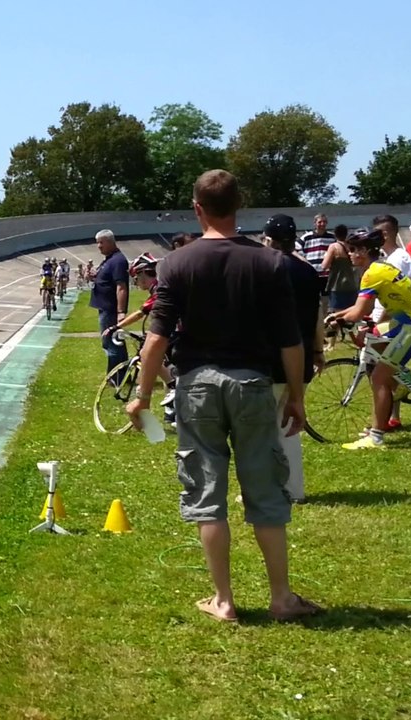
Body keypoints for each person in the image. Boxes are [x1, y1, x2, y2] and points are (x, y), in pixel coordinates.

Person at [126, 169, 317, 624]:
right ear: (239, 206)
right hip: (252, 383)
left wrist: (143, 396)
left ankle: (223, 600)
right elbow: (290, 341)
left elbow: (156, 339)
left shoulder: (176, 263)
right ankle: (281, 598)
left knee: (207, 493)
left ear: (197, 208)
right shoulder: (268, 263)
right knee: (266, 491)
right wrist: (296, 396)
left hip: (196, 387)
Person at [327, 229, 411, 449]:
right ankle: (407, 380)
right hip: (406, 321)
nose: (350, 254)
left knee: (378, 378)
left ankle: (376, 437)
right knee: (375, 339)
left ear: (365, 250)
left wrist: (337, 320)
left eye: (354, 250)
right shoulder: (379, 268)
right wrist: (337, 315)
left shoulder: (372, 273)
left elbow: (356, 314)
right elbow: (358, 309)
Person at [263, 214, 324, 501]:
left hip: (270, 358)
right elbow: (317, 317)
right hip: (301, 358)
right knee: (289, 426)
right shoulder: (309, 272)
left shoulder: (263, 269)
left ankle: (272, 487)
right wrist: (318, 350)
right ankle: (293, 488)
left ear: (268, 239)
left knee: (266, 429)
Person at [103, 252, 176, 423]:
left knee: (149, 355)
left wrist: (116, 326)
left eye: (136, 277)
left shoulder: (159, 291)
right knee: (165, 366)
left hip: (176, 333)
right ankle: (172, 411)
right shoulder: (157, 289)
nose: (135, 282)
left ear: (143, 274)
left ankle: (173, 391)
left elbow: (140, 313)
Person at [91, 229, 130, 378]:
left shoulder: (118, 260)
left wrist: (121, 312)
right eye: (97, 243)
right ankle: (120, 375)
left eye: (101, 242)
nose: (99, 246)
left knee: (111, 342)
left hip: (110, 309)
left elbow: (121, 287)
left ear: (110, 241)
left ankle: (116, 377)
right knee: (114, 341)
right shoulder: (110, 259)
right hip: (105, 308)